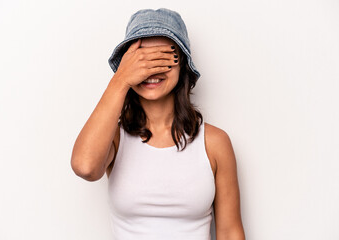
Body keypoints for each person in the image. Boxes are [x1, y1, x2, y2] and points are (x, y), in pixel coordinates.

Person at [71, 8, 245, 240]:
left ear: (182, 63)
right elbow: (85, 167)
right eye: (141, 61)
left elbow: (230, 231)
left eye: (163, 58)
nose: (151, 69)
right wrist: (120, 79)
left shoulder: (214, 142)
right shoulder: (115, 138)